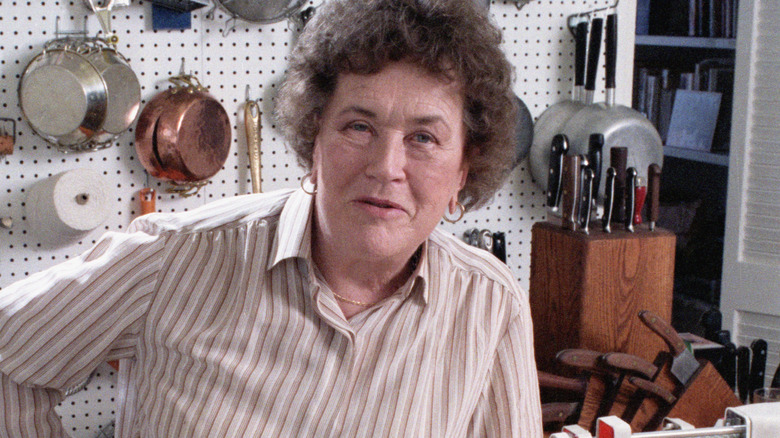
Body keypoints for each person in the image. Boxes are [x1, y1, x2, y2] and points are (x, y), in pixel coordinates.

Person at [0, 0, 542, 436]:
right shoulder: (174, 258)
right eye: (358, 126)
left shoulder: (490, 303)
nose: (386, 167)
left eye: (424, 138)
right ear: (313, 141)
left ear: (464, 171)